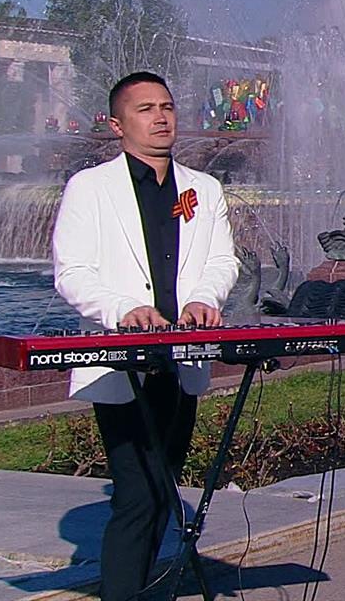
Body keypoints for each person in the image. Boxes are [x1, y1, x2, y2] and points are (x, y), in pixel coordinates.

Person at [52, 71, 239, 601]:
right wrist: (123, 309)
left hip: (182, 359)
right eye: (145, 109)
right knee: (137, 493)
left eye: (167, 107)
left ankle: (138, 589)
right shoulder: (90, 188)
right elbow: (72, 271)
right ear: (117, 125)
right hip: (121, 361)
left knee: (161, 491)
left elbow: (221, 260)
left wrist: (204, 298)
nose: (160, 118)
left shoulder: (203, 189)